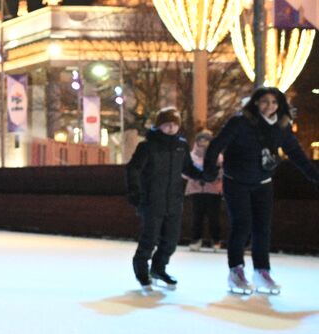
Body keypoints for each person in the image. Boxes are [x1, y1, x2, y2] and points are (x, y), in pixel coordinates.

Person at [203, 87, 319, 295]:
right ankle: (236, 271)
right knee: (242, 225)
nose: (270, 106)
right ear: (256, 103)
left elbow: (296, 154)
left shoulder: (282, 127)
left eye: (274, 103)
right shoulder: (239, 122)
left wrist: (314, 175)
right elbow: (216, 145)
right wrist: (210, 171)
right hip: (236, 181)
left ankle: (262, 271)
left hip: (263, 182)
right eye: (265, 101)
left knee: (262, 228)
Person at [125, 107, 201, 290]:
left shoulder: (181, 146)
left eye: (175, 125)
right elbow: (133, 169)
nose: (171, 128)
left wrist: (204, 174)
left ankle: (159, 269)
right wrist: (135, 192)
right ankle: (142, 272)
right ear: (159, 125)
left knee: (171, 241)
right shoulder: (147, 146)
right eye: (167, 124)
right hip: (151, 201)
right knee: (149, 239)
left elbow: (187, 168)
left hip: (174, 201)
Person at [184, 131, 223, 252]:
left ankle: (216, 240)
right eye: (201, 141)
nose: (203, 143)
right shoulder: (191, 156)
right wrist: (195, 176)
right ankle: (196, 240)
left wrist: (215, 175)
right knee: (197, 217)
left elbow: (223, 171)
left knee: (214, 217)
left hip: (213, 191)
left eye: (206, 141)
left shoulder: (218, 156)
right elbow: (184, 171)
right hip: (196, 190)